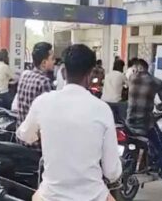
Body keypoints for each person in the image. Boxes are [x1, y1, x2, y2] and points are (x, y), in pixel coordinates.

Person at [17, 44, 121, 201]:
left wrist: (40, 134)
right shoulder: (103, 109)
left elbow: (24, 135)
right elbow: (111, 171)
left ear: (63, 71)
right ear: (90, 74)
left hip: (50, 195)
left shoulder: (43, 102)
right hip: (93, 196)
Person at [127, 59, 162, 201]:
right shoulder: (156, 82)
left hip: (129, 123)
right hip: (145, 125)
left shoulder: (131, 78)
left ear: (138, 68)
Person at [16, 42, 54, 127]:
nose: (54, 61)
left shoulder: (24, 75)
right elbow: (48, 114)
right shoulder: (44, 82)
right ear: (44, 63)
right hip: (35, 136)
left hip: (21, 132)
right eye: (52, 59)